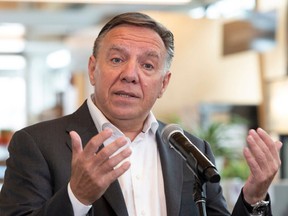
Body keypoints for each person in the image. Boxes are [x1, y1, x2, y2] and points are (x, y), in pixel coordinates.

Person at [0, 12, 282, 216]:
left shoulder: (192, 150)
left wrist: (254, 197)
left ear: (164, 83)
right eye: (117, 59)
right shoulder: (36, 144)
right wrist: (77, 197)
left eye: (148, 65)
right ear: (92, 69)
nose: (130, 75)